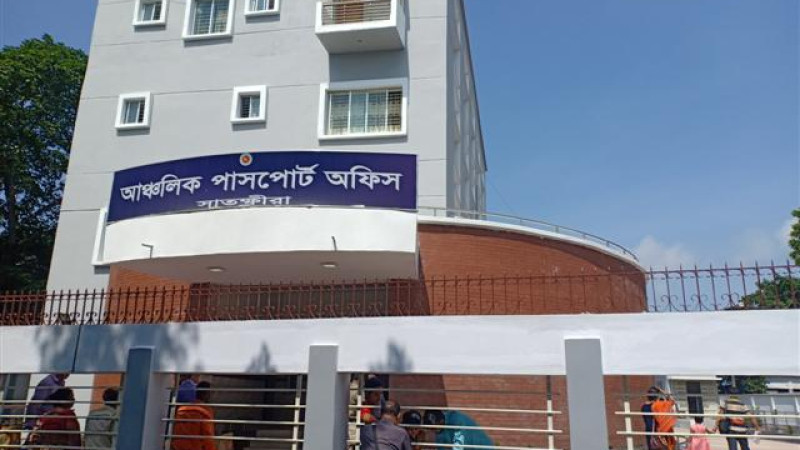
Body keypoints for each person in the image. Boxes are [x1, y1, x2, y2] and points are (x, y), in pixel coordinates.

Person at [172, 381, 215, 450]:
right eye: (211, 393)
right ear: (206, 394)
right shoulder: (205, 411)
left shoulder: (181, 410)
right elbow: (208, 436)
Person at [423, 409, 493, 449]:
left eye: (437, 424)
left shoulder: (456, 418)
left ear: (441, 418)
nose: (435, 429)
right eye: (432, 428)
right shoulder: (439, 435)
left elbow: (459, 444)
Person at [649, 386, 677, 450]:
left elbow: (655, 421)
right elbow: (672, 400)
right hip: (668, 429)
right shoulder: (665, 403)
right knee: (670, 446)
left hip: (660, 431)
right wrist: (661, 391)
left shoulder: (653, 406)